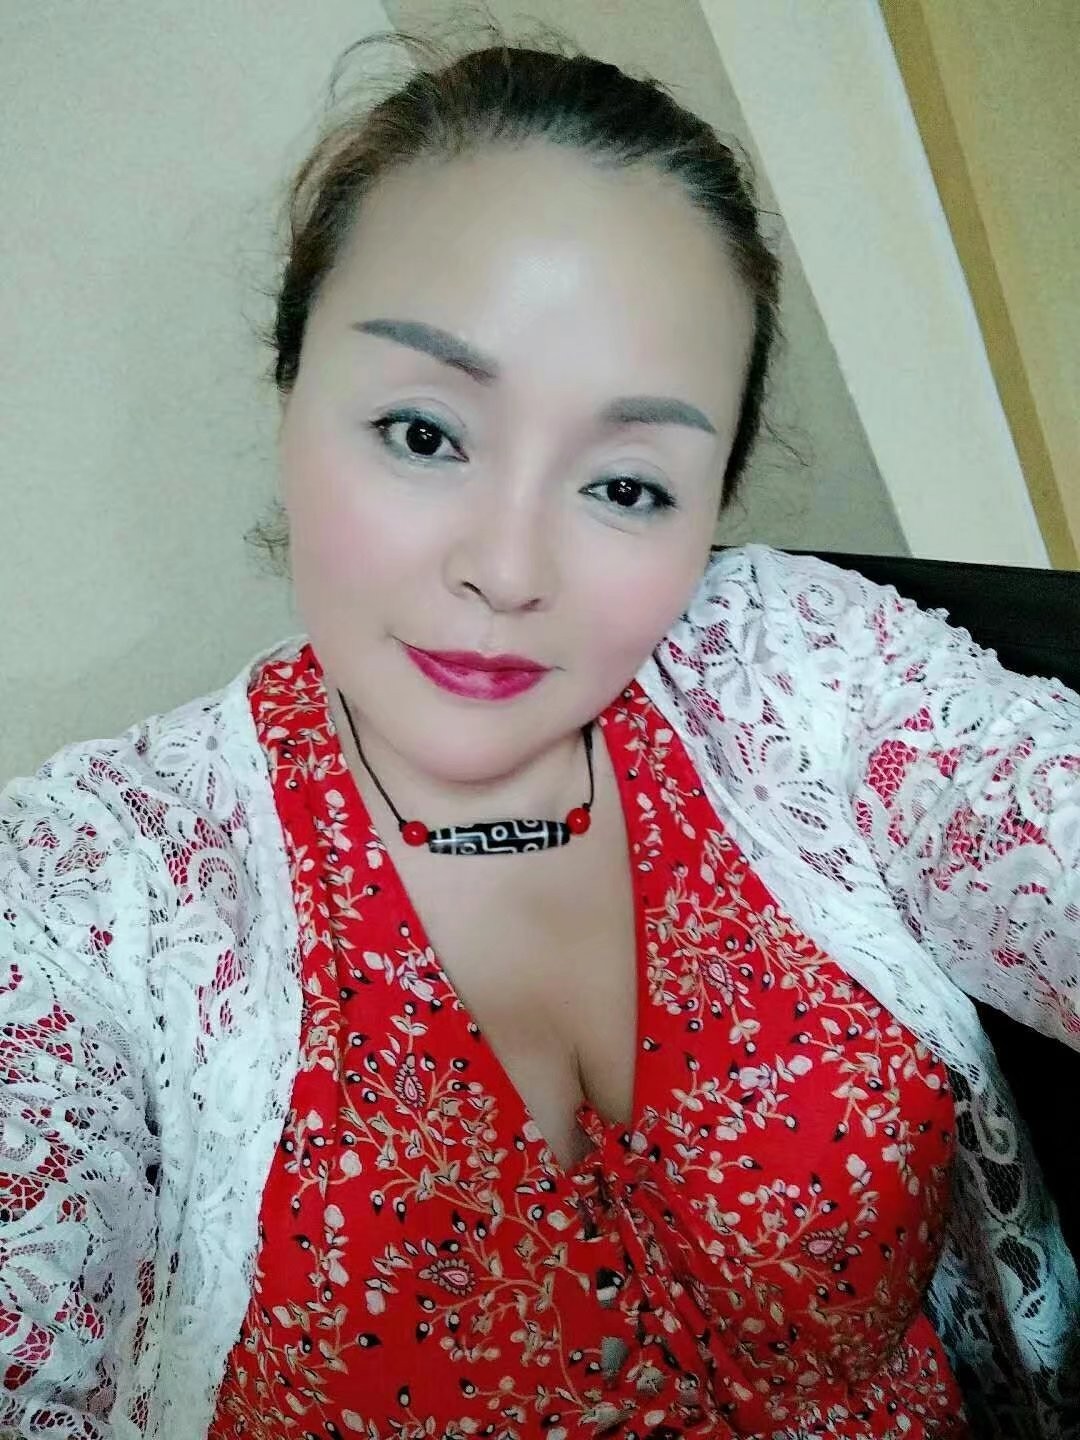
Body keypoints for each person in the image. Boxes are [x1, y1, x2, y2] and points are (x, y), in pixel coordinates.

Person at [1, 29, 1077, 1440]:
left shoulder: (796, 670)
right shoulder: (94, 885)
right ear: (292, 390)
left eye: (627, 486)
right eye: (424, 433)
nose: (509, 572)